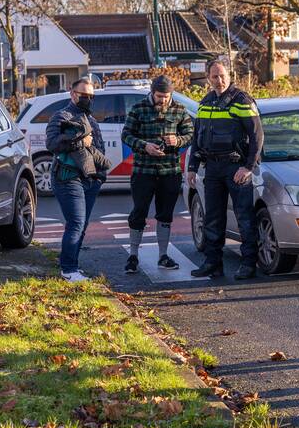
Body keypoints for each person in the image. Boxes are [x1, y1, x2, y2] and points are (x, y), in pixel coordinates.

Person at [187, 59, 264, 280]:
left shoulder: (242, 100)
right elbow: (197, 138)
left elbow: (257, 136)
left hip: (236, 167)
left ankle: (248, 264)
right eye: (214, 76)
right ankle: (213, 264)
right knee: (212, 218)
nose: (219, 80)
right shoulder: (205, 103)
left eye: (222, 76)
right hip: (212, 168)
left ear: (230, 76)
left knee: (244, 218)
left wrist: (248, 167)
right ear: (208, 78)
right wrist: (192, 167)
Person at [121, 75, 194, 274]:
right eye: (159, 96)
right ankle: (133, 256)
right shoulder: (138, 108)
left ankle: (163, 255)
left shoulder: (179, 110)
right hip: (143, 170)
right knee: (139, 212)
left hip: (170, 171)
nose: (163, 100)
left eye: (166, 96)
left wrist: (177, 141)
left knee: (165, 214)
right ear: (152, 92)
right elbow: (126, 135)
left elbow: (190, 135)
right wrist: (144, 145)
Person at [46, 77, 111, 282]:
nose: (88, 99)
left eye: (91, 96)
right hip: (67, 177)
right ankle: (68, 269)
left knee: (81, 225)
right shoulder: (61, 116)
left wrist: (99, 177)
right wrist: (79, 141)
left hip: (90, 180)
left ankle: (72, 265)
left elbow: (99, 149)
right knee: (76, 223)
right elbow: (52, 144)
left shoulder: (91, 120)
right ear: (73, 94)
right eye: (84, 95)